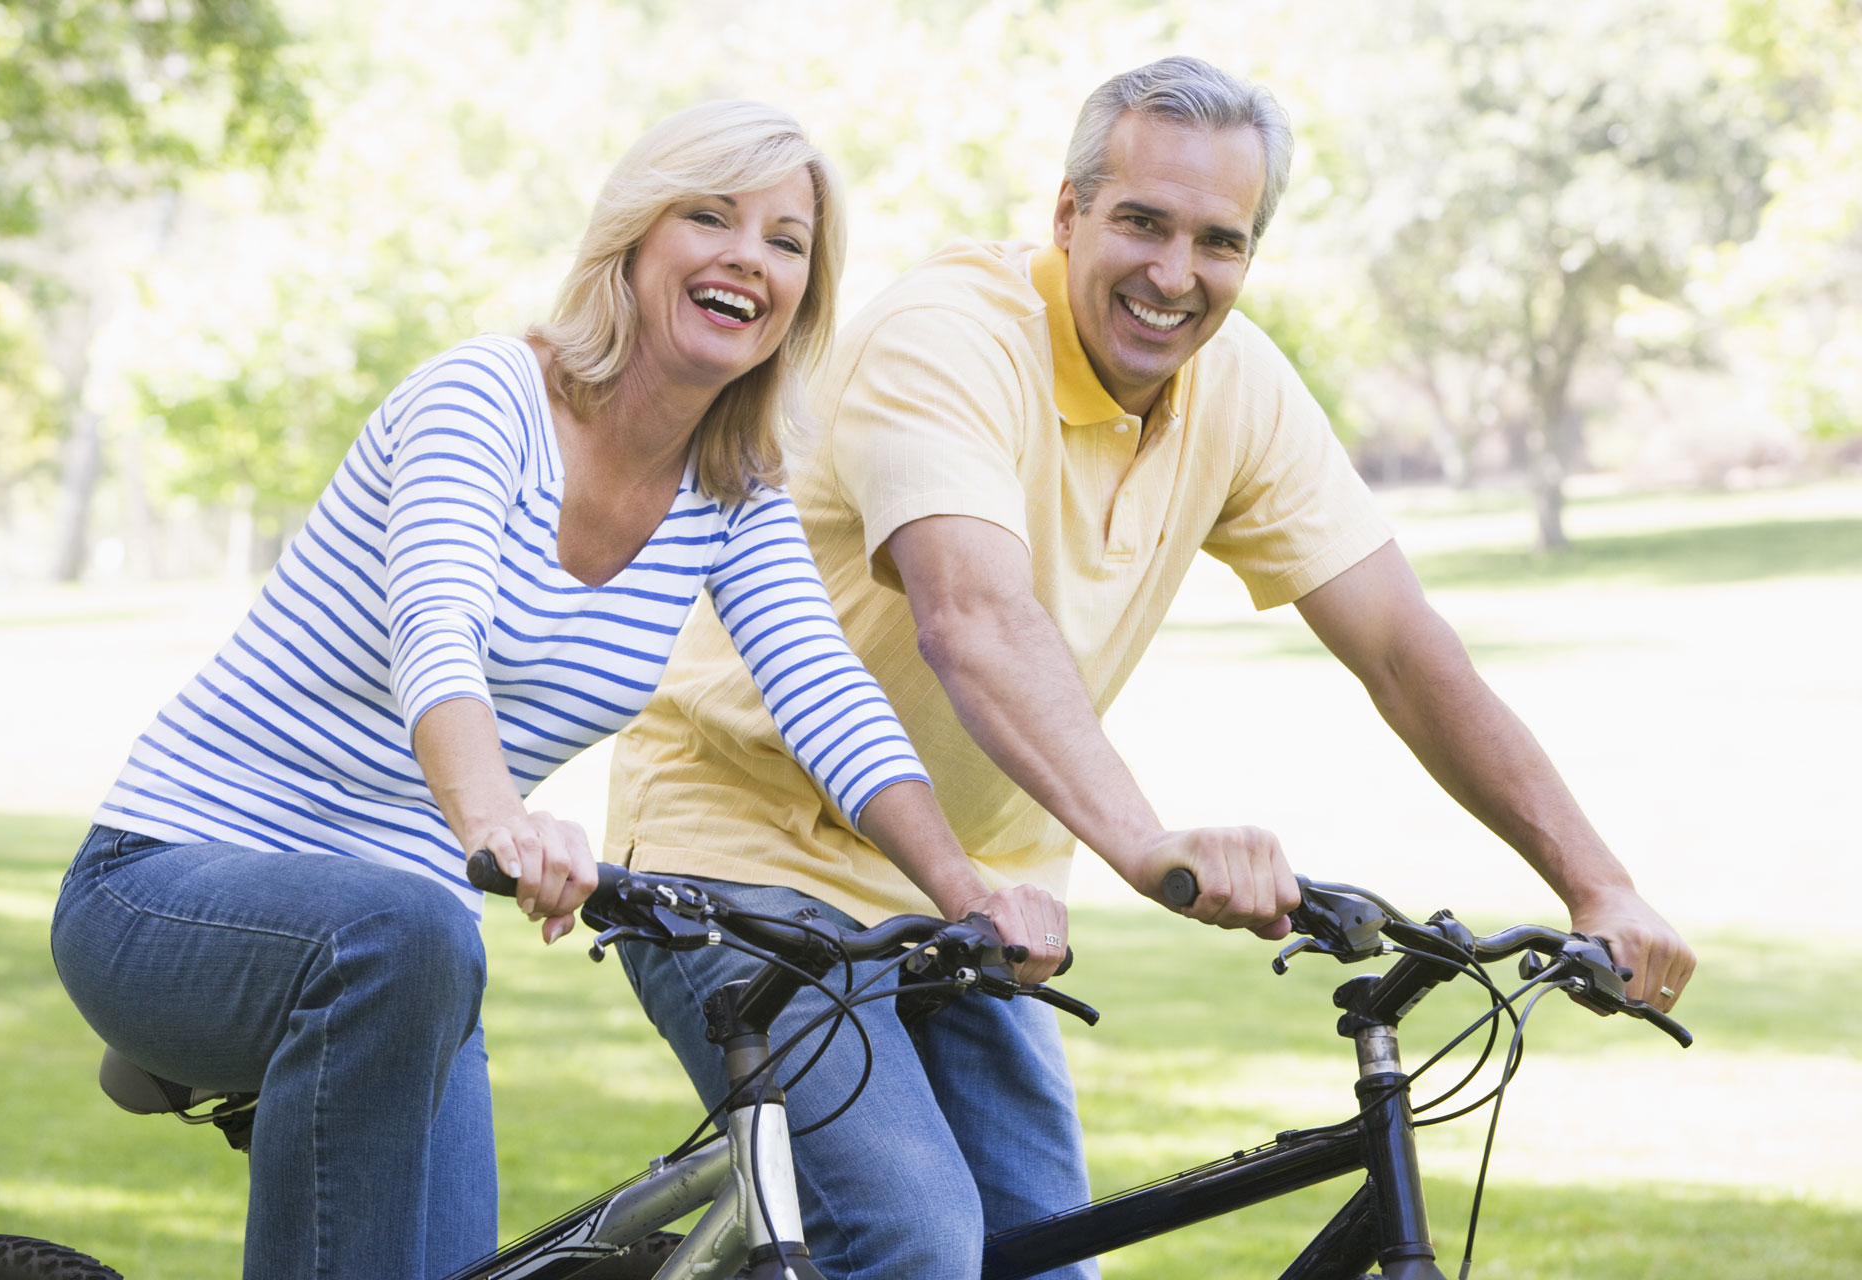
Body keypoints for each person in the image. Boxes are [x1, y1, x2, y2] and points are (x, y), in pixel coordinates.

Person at [605, 56, 1699, 1279]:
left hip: (982, 889)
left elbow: (1403, 645)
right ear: (1068, 214)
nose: (1176, 275)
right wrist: (1146, 843)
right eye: (1143, 222)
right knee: (912, 1232)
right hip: (747, 853)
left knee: (1051, 1256)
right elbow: (973, 614)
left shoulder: (1239, 389)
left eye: (1219, 240)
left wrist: (1599, 885)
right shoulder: (948, 339)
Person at [48, 100, 1064, 1280]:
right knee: (409, 925)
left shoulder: (732, 490)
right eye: (710, 216)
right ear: (632, 240)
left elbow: (823, 688)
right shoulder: (486, 397)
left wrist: (965, 892)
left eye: (787, 241)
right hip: (168, 882)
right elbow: (437, 628)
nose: (750, 256)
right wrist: (498, 820)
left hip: (412, 962)